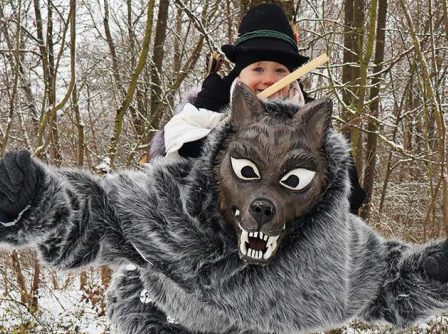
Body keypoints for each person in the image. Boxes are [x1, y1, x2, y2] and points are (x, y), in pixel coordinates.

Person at [150, 3, 366, 212]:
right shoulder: (208, 109)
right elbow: (179, 159)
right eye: (258, 69)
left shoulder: (308, 117)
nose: (269, 79)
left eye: (280, 71)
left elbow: (350, 195)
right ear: (240, 75)